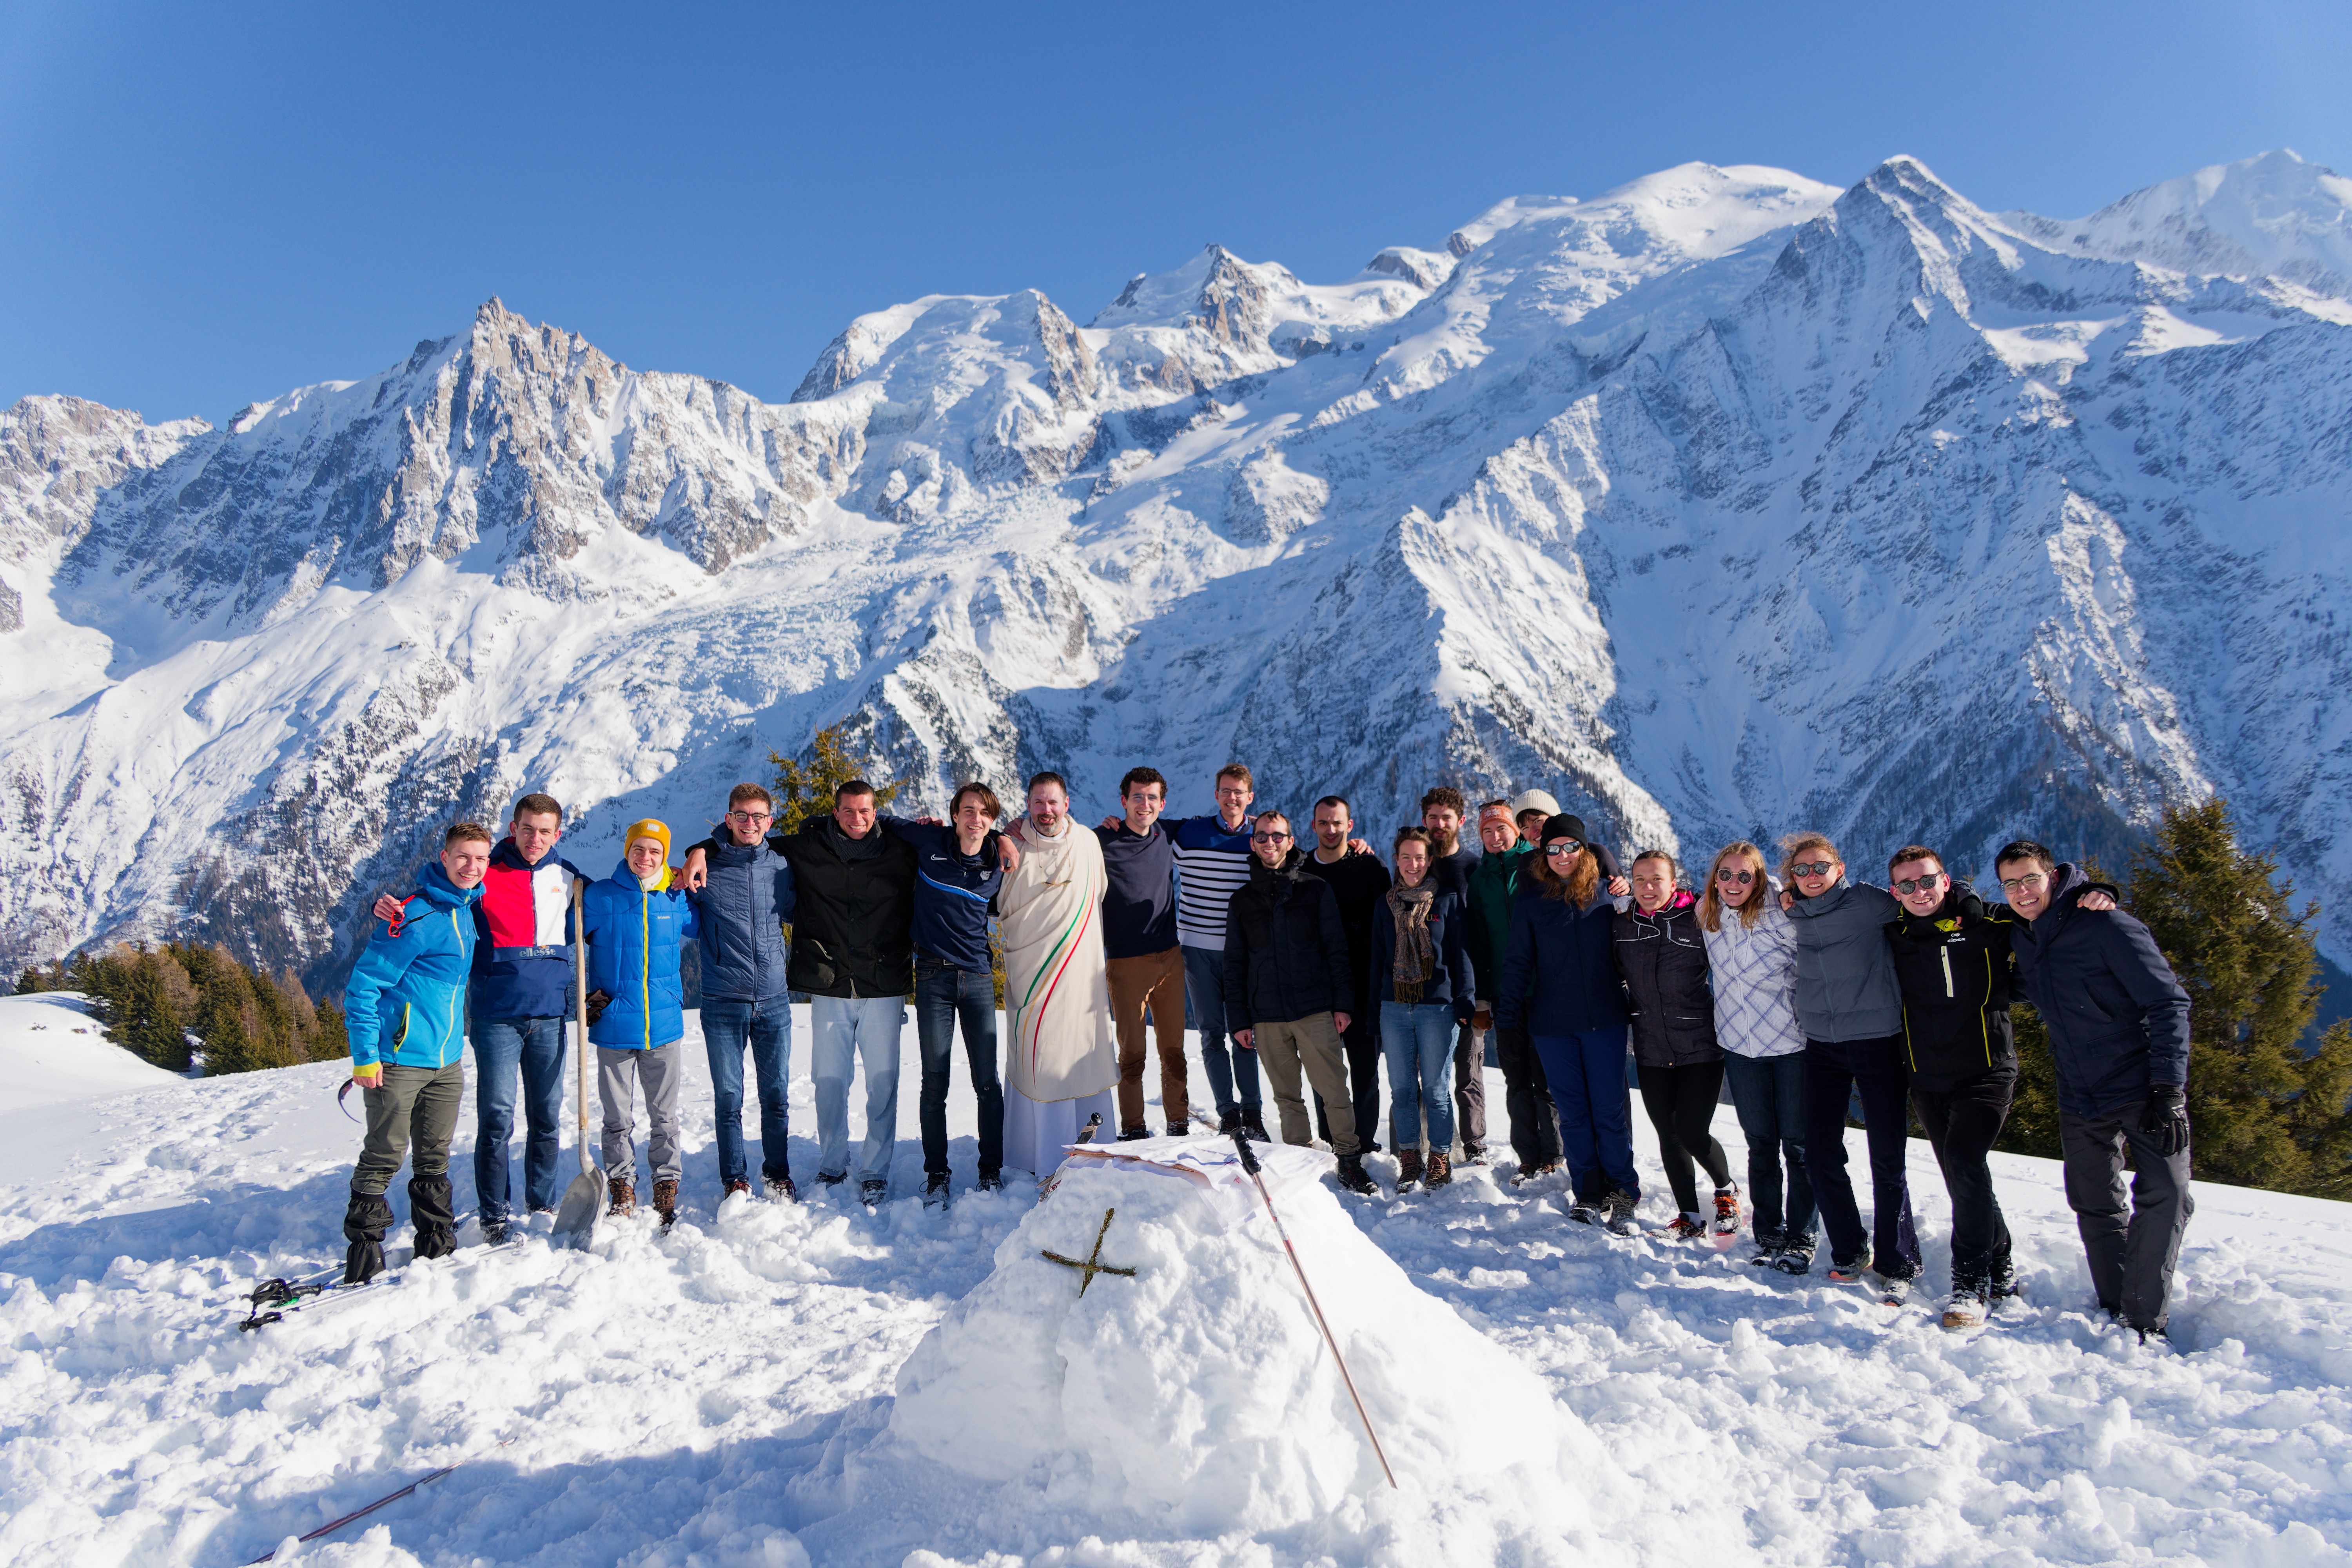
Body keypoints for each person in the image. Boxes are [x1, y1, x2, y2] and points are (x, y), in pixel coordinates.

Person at [2001, 838, 2192, 1341]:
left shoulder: (2107, 925)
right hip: (2080, 1089)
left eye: (2030, 879)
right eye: (2011, 883)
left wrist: (2170, 1089)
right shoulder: (2025, 936)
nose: (2022, 892)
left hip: (2142, 1083)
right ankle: (2118, 1302)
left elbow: (2169, 1004)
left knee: (2167, 1193)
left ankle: (2145, 1317)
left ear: (2054, 876)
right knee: (2094, 1198)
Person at [369, 794, 581, 1243]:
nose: (535, 839)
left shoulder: (569, 878)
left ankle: (540, 1202)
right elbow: (441, 894)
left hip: (549, 1016)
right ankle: (494, 1212)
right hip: (497, 1017)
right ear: (513, 827)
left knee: (546, 1116)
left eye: (545, 831)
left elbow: (618, 904)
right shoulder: (487, 874)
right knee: (498, 1117)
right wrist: (392, 908)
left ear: (557, 834)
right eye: (528, 829)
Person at [1885, 844, 2031, 1327]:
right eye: (1906, 885)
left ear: (1946, 880)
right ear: (1894, 892)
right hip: (1927, 1077)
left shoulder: (1991, 923)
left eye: (1927, 881)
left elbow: (2045, 912)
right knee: (1961, 1175)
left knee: (1966, 1163)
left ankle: (1970, 1283)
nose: (1919, 892)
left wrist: (2096, 892)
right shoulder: (1894, 933)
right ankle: (2001, 1259)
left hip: (1986, 1071)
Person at [340, 823, 491, 1283]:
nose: (472, 867)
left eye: (480, 859)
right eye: (463, 857)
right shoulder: (415, 916)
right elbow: (363, 988)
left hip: (447, 1061)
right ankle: (365, 1251)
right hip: (399, 1060)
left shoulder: (468, 907)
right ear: (443, 858)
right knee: (384, 1153)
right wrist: (366, 1057)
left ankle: (436, 1240)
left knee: (435, 1155)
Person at [1780, 832, 1919, 1294]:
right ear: (1792, 878)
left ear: (1840, 869)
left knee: (1887, 1156)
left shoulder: (1867, 902)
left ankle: (1898, 1263)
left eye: (1821, 867)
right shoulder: (1792, 912)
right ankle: (1850, 1248)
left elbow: (1925, 897)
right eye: (1802, 870)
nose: (1812, 876)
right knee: (1819, 1154)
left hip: (1878, 1040)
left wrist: (1969, 902)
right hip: (1820, 1044)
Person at [1496, 815, 1640, 1232]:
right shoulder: (1532, 900)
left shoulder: (1608, 896)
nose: (1562, 856)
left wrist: (1627, 890)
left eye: (1570, 847)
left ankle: (1623, 1192)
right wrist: (1508, 1016)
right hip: (1553, 1024)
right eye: (1554, 849)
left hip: (1605, 1020)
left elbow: (1645, 922)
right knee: (1574, 1114)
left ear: (1585, 850)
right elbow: (1519, 961)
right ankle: (1589, 1192)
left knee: (1610, 1111)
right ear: (1544, 853)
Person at [1223, 811, 1377, 1195]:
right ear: (1253, 843)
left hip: (1315, 1009)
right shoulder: (1242, 900)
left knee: (1335, 1092)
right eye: (1262, 837)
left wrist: (1342, 1005)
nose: (1270, 843)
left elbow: (1335, 950)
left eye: (1278, 837)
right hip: (1266, 1015)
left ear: (1291, 842)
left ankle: (1350, 1160)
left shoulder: (1315, 889)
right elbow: (1235, 963)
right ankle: (1299, 1161)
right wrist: (1239, 1020)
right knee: (1287, 1096)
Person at [879, 783, 1014, 1203]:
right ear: (954, 815)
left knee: (987, 1081)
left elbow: (1039, 829)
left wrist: (1005, 838)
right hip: (933, 978)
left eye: (985, 814)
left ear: (992, 822)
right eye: (968, 811)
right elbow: (876, 819)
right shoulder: (929, 840)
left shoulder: (998, 858)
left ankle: (990, 1170)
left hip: (976, 978)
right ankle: (937, 1172)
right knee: (935, 1081)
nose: (976, 819)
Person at [1698, 841, 1816, 1273]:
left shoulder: (1781, 913)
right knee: (1761, 1146)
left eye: (1744, 876)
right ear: (1714, 878)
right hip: (1740, 1048)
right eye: (1725, 875)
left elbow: (1818, 943)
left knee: (1799, 1147)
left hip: (1791, 1046)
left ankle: (1802, 1238)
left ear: (1760, 879)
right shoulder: (1707, 915)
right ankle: (1768, 1233)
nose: (1734, 883)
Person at [995, 771, 1120, 1176]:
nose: (1046, 811)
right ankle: (1041, 1156)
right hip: (1033, 973)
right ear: (1027, 805)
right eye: (1038, 803)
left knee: (1085, 1055)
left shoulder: (1087, 841)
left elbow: (1096, 891)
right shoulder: (1010, 845)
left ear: (1067, 804)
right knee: (1041, 1060)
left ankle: (1095, 1150)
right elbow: (1000, 904)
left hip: (1080, 970)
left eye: (1053, 803)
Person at [581, 820, 701, 1227]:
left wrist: (693, 875)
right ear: (627, 850)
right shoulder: (599, 895)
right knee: (617, 1118)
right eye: (639, 849)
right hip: (614, 1024)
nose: (645, 858)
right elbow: (560, 934)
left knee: (664, 1117)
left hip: (663, 1025)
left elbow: (699, 925)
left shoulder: (675, 896)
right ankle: (621, 1185)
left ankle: (666, 1185)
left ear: (665, 856)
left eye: (654, 851)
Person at [686, 784, 800, 1204]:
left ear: (770, 821)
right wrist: (698, 851)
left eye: (758, 816)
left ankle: (778, 1174)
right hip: (722, 1000)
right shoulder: (706, 867)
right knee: (729, 1097)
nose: (749, 823)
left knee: (776, 1096)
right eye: (741, 815)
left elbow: (800, 910)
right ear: (728, 818)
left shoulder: (783, 867)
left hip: (774, 999)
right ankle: (734, 1179)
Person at [1616, 851, 1737, 1240]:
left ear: (1674, 882)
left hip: (1700, 1044)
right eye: (1640, 880)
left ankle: (1726, 1189)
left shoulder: (1700, 920)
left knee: (1691, 1130)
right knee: (1667, 1134)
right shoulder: (1622, 926)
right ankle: (1689, 1214)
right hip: (1650, 1047)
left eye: (1657, 880)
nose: (1648, 888)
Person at [1150, 764, 1265, 1138]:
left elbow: (1293, 862)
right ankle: (1227, 1112)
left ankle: (1253, 1112)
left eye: (1239, 793)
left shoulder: (1261, 838)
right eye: (1226, 791)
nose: (1232, 798)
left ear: (1250, 797)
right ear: (1216, 795)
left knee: (1245, 1034)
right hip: (1197, 949)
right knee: (1211, 1033)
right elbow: (1146, 832)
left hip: (1242, 953)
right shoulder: (1190, 834)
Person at [1369, 827, 1475, 1190]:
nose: (1413, 865)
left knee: (1436, 1089)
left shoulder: (1447, 901)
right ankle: (1410, 1159)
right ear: (1396, 860)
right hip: (1394, 1007)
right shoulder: (1385, 904)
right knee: (1400, 1089)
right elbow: (1377, 960)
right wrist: (1374, 1011)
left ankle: (1440, 1157)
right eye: (1406, 857)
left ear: (1430, 860)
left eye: (1420, 857)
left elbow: (1462, 954)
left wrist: (1467, 998)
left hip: (1438, 1008)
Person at [1092, 768, 1193, 1139]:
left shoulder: (1167, 833)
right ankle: (1134, 1128)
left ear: (1162, 804)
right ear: (1123, 801)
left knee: (1174, 1051)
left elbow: (1218, 827)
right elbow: (1057, 839)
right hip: (1126, 961)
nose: (1145, 805)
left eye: (1152, 798)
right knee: (1132, 1053)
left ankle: (1178, 1123)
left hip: (1170, 957)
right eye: (1138, 797)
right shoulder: (1102, 839)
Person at [1467, 799, 1559, 1181]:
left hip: (1543, 989)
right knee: (1516, 1077)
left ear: (1515, 830)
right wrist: (1483, 997)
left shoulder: (1538, 865)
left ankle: (1553, 1152)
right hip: (1506, 994)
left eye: (1501, 828)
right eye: (1487, 831)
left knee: (1546, 1078)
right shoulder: (1480, 878)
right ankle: (1528, 1154)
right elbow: (1480, 943)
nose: (1495, 837)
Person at [1299, 795, 1392, 1154]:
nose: (1331, 829)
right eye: (1324, 823)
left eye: (1338, 823)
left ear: (1350, 826)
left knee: (1365, 1069)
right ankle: (1331, 1139)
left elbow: (1385, 930)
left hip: (1363, 984)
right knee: (1325, 1073)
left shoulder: (1371, 870)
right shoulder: (1302, 870)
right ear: (1313, 826)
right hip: (1318, 987)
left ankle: (1365, 1142)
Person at [1418, 786, 1488, 1163]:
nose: (1440, 824)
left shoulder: (1474, 867)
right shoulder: (1416, 864)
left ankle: (1473, 1145)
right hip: (1421, 987)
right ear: (1424, 820)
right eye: (1433, 817)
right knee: (1425, 1073)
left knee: (1469, 1067)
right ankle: (1424, 1143)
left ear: (1460, 822)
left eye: (1447, 818)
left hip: (1468, 981)